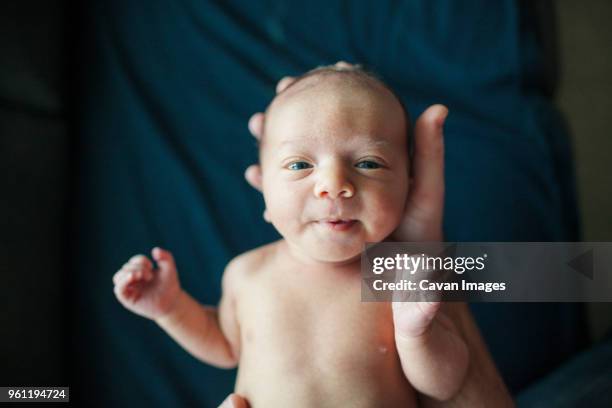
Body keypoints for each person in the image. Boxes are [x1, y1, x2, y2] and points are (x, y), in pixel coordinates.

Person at [113, 65, 473, 407]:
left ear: (408, 185)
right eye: (300, 165)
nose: (333, 186)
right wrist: (170, 309)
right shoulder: (247, 273)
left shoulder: (402, 272)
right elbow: (224, 344)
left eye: (368, 163)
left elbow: (444, 384)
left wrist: (417, 335)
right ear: (263, 188)